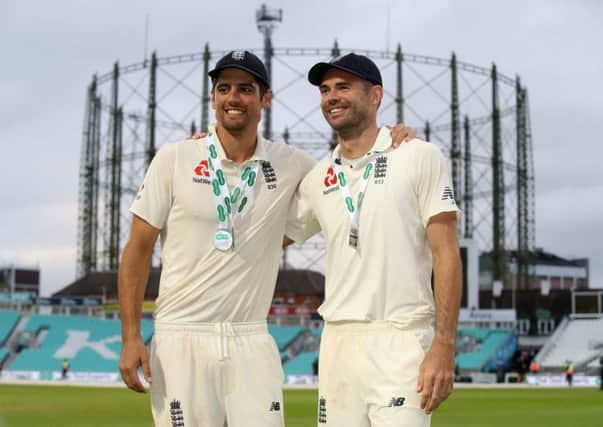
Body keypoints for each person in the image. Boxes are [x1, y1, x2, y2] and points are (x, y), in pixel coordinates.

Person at [118, 50, 416, 427]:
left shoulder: (293, 165)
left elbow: (350, 168)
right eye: (223, 89)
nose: (233, 98)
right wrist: (131, 337)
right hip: (182, 335)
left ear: (265, 99)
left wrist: (393, 138)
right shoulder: (175, 158)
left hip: (250, 337)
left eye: (245, 89)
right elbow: (137, 250)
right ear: (213, 99)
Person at [288, 53, 462, 426]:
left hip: (400, 339)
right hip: (337, 345)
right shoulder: (318, 178)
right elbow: (262, 237)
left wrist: (444, 343)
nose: (332, 96)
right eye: (325, 89)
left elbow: (446, 253)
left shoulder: (417, 156)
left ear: (375, 95)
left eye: (343, 87)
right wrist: (211, 144)